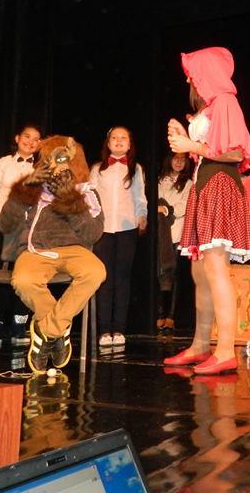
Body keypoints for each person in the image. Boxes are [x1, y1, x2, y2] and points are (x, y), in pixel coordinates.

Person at [164, 47, 250, 375]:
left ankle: (226, 350)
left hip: (219, 184)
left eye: (193, 74)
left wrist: (191, 145)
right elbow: (208, 150)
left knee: (216, 268)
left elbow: (234, 153)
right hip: (204, 183)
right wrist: (184, 136)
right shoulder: (210, 107)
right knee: (200, 273)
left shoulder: (226, 102)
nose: (189, 80)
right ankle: (201, 345)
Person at [0, 135, 106, 373]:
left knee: (95, 271)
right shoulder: (33, 189)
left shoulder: (87, 193)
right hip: (35, 250)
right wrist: (24, 190)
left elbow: (92, 234)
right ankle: (58, 331)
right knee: (23, 280)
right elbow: (6, 223)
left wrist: (70, 200)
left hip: (75, 250)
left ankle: (45, 330)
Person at [0, 123, 42, 347]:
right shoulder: (2, 163)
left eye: (36, 139)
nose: (30, 142)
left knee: (24, 275)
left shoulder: (41, 167)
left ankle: (19, 325)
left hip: (29, 230)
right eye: (27, 136)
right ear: (17, 138)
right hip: (1, 226)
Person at [89, 126, 147, 348]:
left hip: (127, 227)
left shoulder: (136, 168)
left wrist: (142, 216)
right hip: (103, 229)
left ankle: (119, 329)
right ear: (108, 143)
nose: (119, 141)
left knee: (122, 279)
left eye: (124, 138)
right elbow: (90, 197)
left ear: (130, 144)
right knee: (104, 279)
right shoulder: (97, 169)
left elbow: (140, 197)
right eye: (115, 137)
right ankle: (104, 330)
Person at [156, 152, 194, 333]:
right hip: (160, 233)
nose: (179, 162)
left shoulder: (188, 183)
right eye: (175, 158)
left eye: (183, 159)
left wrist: (167, 210)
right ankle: (159, 313)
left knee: (175, 274)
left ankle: (171, 316)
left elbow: (186, 204)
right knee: (160, 273)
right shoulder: (159, 180)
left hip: (178, 232)